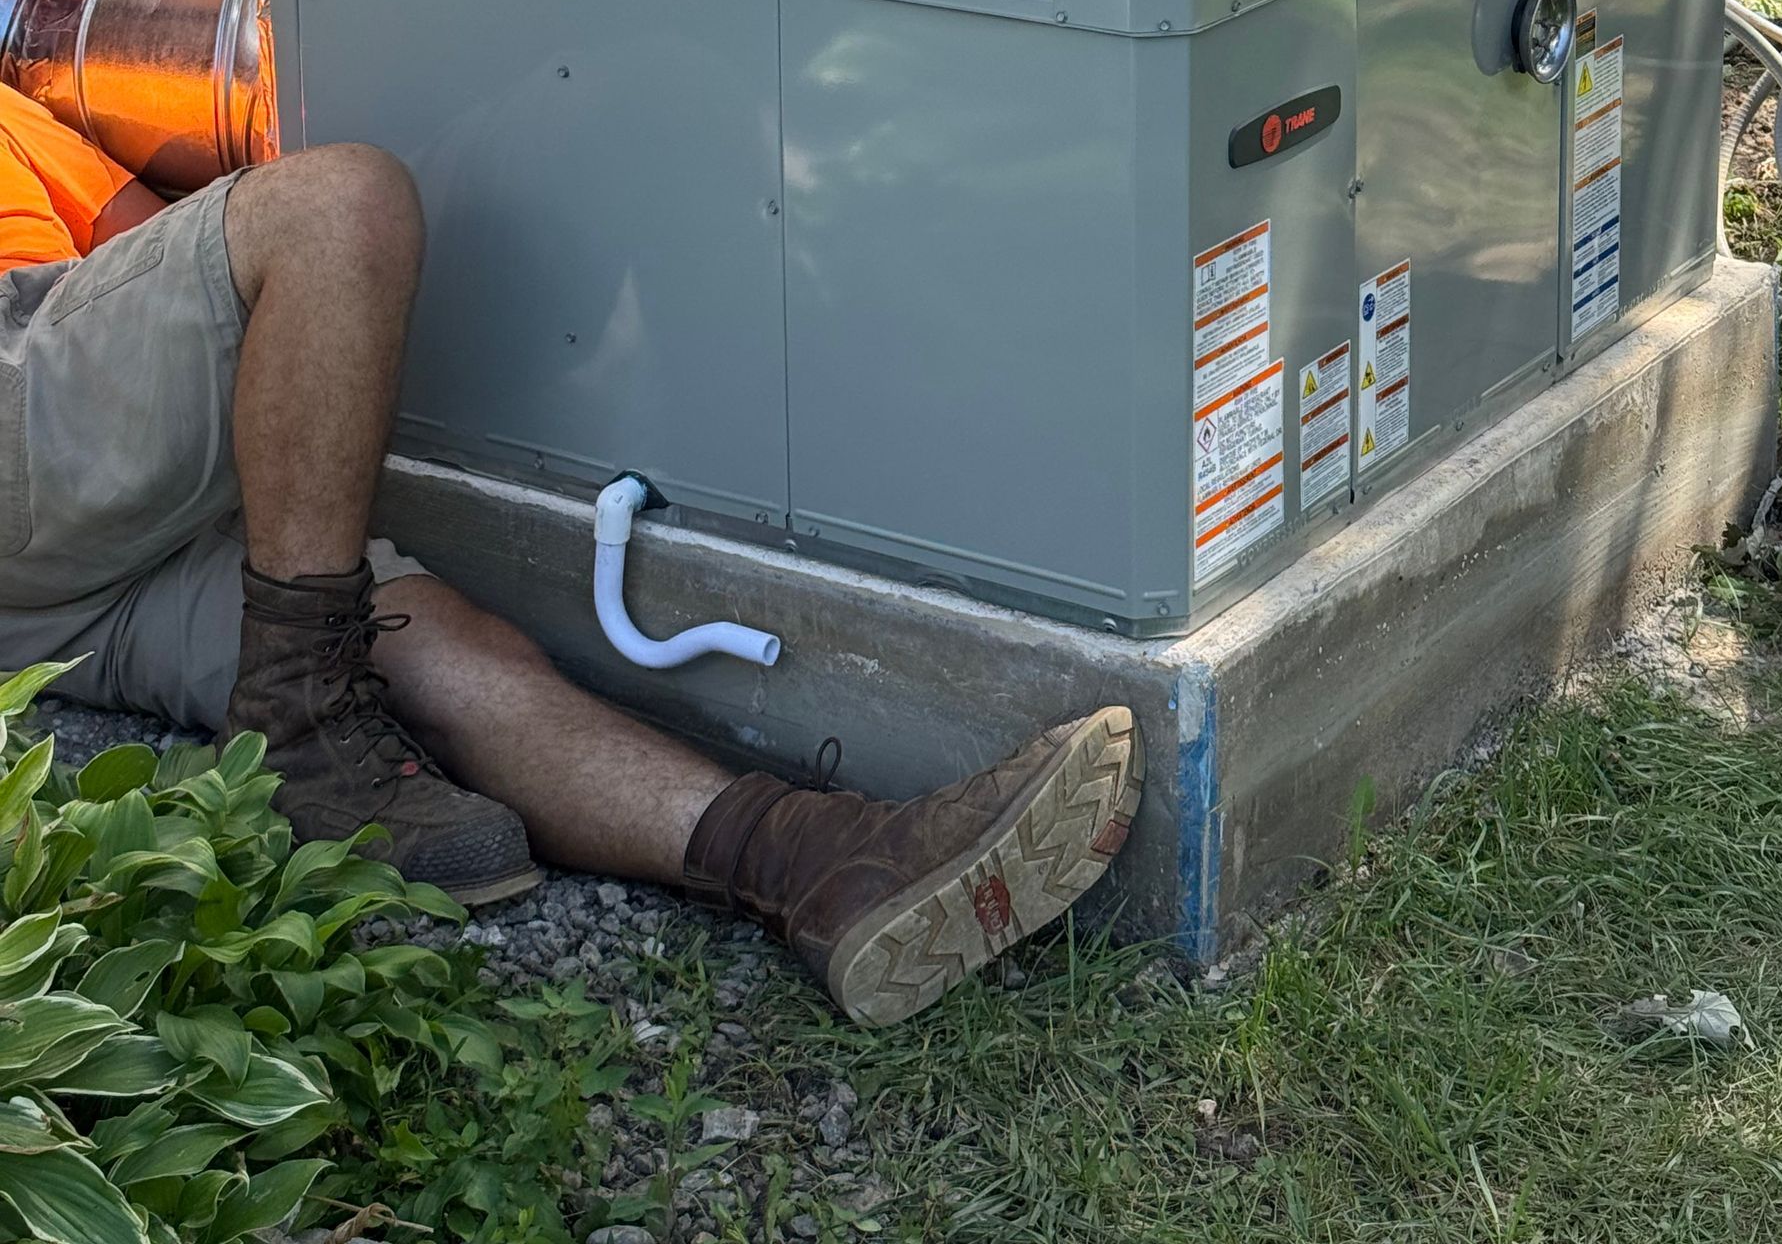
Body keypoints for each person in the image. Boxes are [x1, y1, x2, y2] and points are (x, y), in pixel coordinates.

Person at [0, 82, 1141, 1028]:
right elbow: (202, 262)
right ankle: (299, 730)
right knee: (336, 207)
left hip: (61, 581)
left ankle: (822, 865)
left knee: (428, 647)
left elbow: (143, 245)